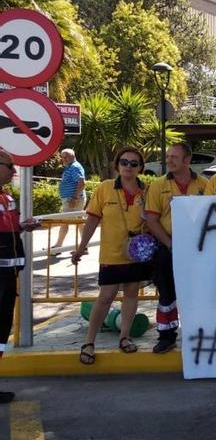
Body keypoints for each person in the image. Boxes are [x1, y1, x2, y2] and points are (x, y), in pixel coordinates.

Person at [72, 147, 152, 365]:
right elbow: (92, 220)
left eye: (134, 163)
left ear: (140, 168)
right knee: (106, 296)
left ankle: (124, 336)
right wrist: (81, 247)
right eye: (124, 162)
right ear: (117, 165)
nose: (128, 166)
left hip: (136, 252)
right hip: (111, 253)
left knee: (132, 292)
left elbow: (153, 220)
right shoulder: (106, 188)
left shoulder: (147, 190)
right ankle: (89, 342)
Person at [144, 143, 209, 353]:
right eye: (168, 156)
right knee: (167, 293)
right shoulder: (157, 185)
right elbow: (152, 220)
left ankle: (200, 333)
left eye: (174, 157)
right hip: (168, 245)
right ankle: (166, 336)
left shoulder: (205, 184)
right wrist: (170, 244)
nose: (169, 160)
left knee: (199, 291)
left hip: (198, 247)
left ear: (187, 160)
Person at [0, 148, 39, 403]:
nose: (15, 171)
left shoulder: (6, 197)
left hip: (7, 276)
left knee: (1, 333)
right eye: (9, 165)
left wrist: (23, 227)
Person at [51, 148, 86, 253]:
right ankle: (84, 247)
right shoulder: (71, 167)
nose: (64, 159)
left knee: (64, 221)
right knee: (79, 222)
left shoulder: (74, 167)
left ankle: (58, 247)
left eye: (66, 156)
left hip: (73, 200)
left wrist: (74, 197)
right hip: (72, 199)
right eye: (62, 157)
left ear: (73, 156)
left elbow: (82, 182)